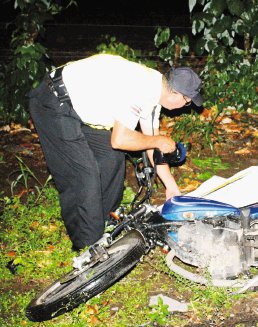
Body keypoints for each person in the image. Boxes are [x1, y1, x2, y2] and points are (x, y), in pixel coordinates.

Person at [28, 53, 203, 251]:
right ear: (178, 95)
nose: (185, 107)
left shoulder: (156, 90)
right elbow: (120, 139)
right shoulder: (141, 89)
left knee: (110, 157)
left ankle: (105, 219)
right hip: (53, 102)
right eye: (187, 102)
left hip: (76, 106)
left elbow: (153, 146)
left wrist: (171, 187)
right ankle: (87, 247)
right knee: (84, 175)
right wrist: (157, 140)